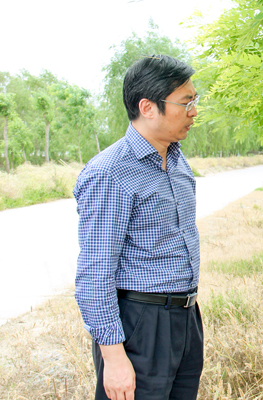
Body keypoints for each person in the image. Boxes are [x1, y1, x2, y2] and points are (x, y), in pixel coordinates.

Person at [74, 55, 203, 400]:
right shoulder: (110, 173)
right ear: (148, 107)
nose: (194, 112)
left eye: (195, 100)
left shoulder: (176, 160)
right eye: (185, 102)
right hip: (140, 324)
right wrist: (114, 357)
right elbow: (95, 274)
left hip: (186, 317)